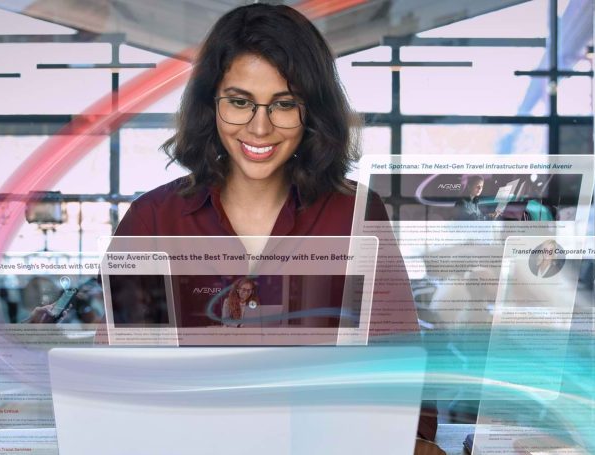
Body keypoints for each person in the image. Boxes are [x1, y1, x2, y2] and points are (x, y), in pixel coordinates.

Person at [108, 5, 436, 453]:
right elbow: (116, 380)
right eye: (240, 102)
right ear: (211, 104)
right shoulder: (151, 220)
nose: (259, 128)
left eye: (284, 104)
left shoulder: (357, 212)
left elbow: (401, 371)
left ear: (312, 110)